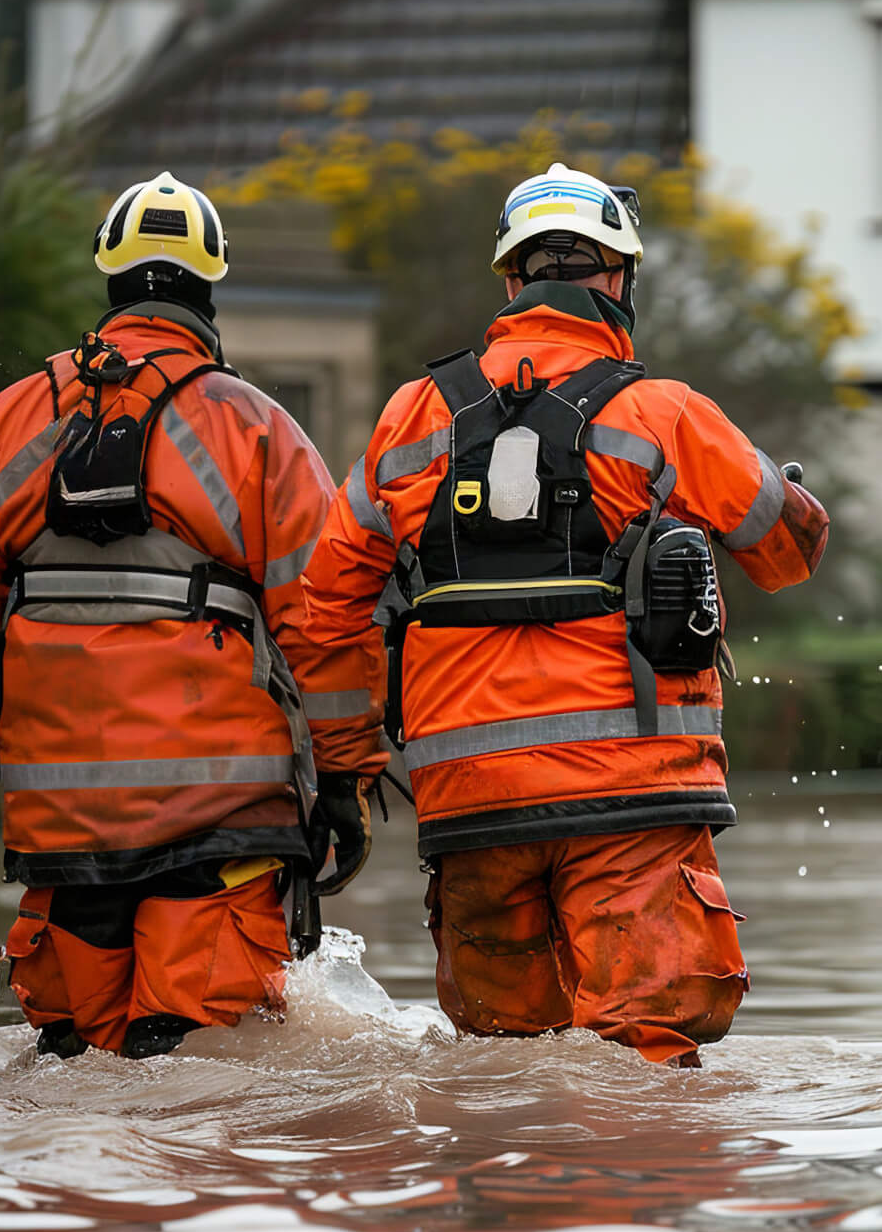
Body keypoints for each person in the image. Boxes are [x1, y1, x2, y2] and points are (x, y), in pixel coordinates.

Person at [300, 162, 830, 1066]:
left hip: (471, 812)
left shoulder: (410, 419)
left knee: (504, 1075)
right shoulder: (663, 412)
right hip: (634, 799)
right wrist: (779, 485)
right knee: (647, 1075)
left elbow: (322, 609)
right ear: (619, 277)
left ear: (511, 281)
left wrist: (348, 771)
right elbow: (787, 553)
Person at [0, 172, 383, 1059]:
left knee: (76, 1071)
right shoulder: (259, 430)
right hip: (221, 820)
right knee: (192, 1083)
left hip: (59, 827)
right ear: (210, 286)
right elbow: (326, 618)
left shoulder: (7, 425)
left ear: (108, 279)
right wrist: (348, 777)